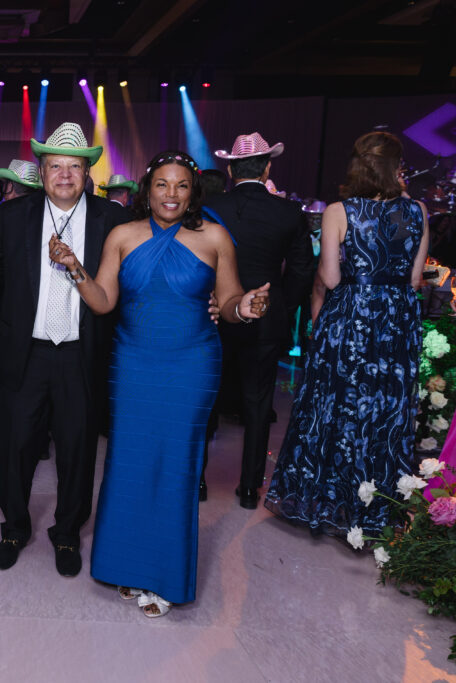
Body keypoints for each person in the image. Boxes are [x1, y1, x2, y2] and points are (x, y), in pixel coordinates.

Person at [50, 149, 270, 616]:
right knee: (128, 461)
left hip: (191, 365)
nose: (171, 194)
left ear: (194, 192)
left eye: (181, 185)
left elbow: (228, 300)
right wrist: (74, 267)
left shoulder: (214, 237)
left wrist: (243, 308)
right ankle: (125, 566)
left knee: (176, 465)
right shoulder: (123, 235)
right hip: (133, 363)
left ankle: (166, 577)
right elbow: (104, 301)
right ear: (147, 190)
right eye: (162, 184)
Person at [0, 122, 131, 578]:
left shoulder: (113, 221)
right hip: (25, 354)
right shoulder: (10, 218)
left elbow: (141, 276)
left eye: (74, 167)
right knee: (16, 447)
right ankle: (15, 527)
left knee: (78, 449)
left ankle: (66, 533)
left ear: (87, 173)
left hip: (81, 354)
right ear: (41, 171)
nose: (64, 175)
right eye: (54, 166)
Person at [265, 131, 429, 538]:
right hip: (396, 322)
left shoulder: (341, 210)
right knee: (385, 411)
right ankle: (374, 505)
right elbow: (414, 281)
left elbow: (331, 278)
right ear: (396, 167)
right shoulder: (419, 211)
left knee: (336, 406)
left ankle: (327, 497)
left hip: (351, 317)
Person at [202, 134, 316, 509]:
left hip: (216, 313)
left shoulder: (210, 206)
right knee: (257, 401)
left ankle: (197, 482)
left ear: (231, 169)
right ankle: (250, 488)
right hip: (267, 316)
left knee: (208, 398)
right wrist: (282, 307)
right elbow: (301, 271)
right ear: (268, 168)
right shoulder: (288, 213)